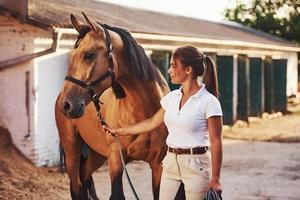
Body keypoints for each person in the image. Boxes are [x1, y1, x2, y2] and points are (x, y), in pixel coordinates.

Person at [104, 46, 223, 200]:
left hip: (196, 165)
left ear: (188, 70)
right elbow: (152, 122)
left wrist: (215, 179)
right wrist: (121, 131)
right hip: (171, 162)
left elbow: (216, 141)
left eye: (173, 66)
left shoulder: (209, 102)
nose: (169, 71)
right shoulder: (172, 97)